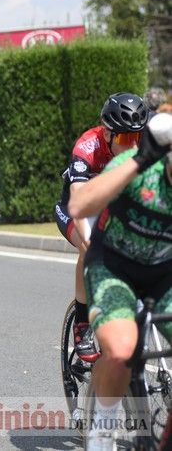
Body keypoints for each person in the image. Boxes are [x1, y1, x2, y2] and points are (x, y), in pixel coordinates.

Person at [68, 113, 172, 448]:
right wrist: (139, 161)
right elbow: (79, 204)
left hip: (164, 272)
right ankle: (103, 429)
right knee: (121, 350)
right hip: (114, 267)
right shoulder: (139, 166)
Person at [54, 92, 148, 361]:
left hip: (113, 207)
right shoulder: (87, 147)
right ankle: (82, 324)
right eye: (124, 138)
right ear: (107, 133)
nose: (132, 146)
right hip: (76, 207)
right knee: (89, 247)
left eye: (137, 138)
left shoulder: (145, 145)